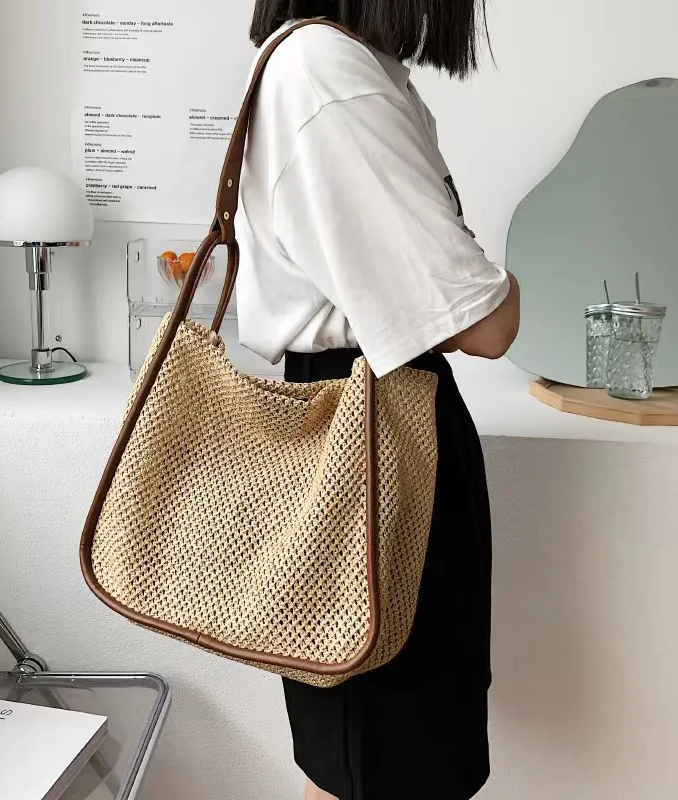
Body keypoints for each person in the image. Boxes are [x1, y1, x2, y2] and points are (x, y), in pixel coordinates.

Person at [237, 2, 521, 799]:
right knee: (384, 752)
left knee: (367, 749)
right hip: (375, 436)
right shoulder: (327, 71)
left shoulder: (341, 64)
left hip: (377, 424)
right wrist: (499, 286)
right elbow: (486, 321)